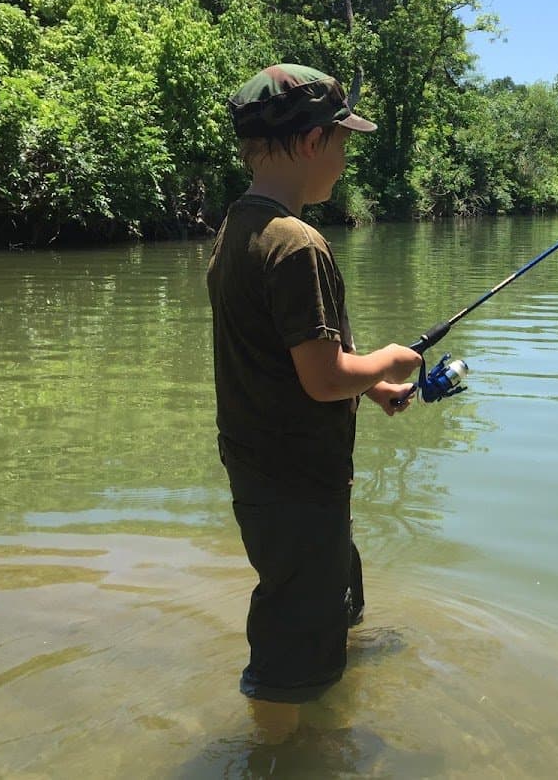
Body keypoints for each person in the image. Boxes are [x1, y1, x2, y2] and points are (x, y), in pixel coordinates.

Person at [207, 64, 422, 742]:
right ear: (308, 143)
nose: (344, 157)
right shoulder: (298, 244)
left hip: (266, 476)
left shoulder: (238, 229)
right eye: (341, 141)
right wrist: (390, 359)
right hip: (297, 481)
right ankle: (278, 751)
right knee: (289, 643)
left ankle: (326, 687)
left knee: (321, 593)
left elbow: (288, 361)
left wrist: (371, 385)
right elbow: (323, 378)